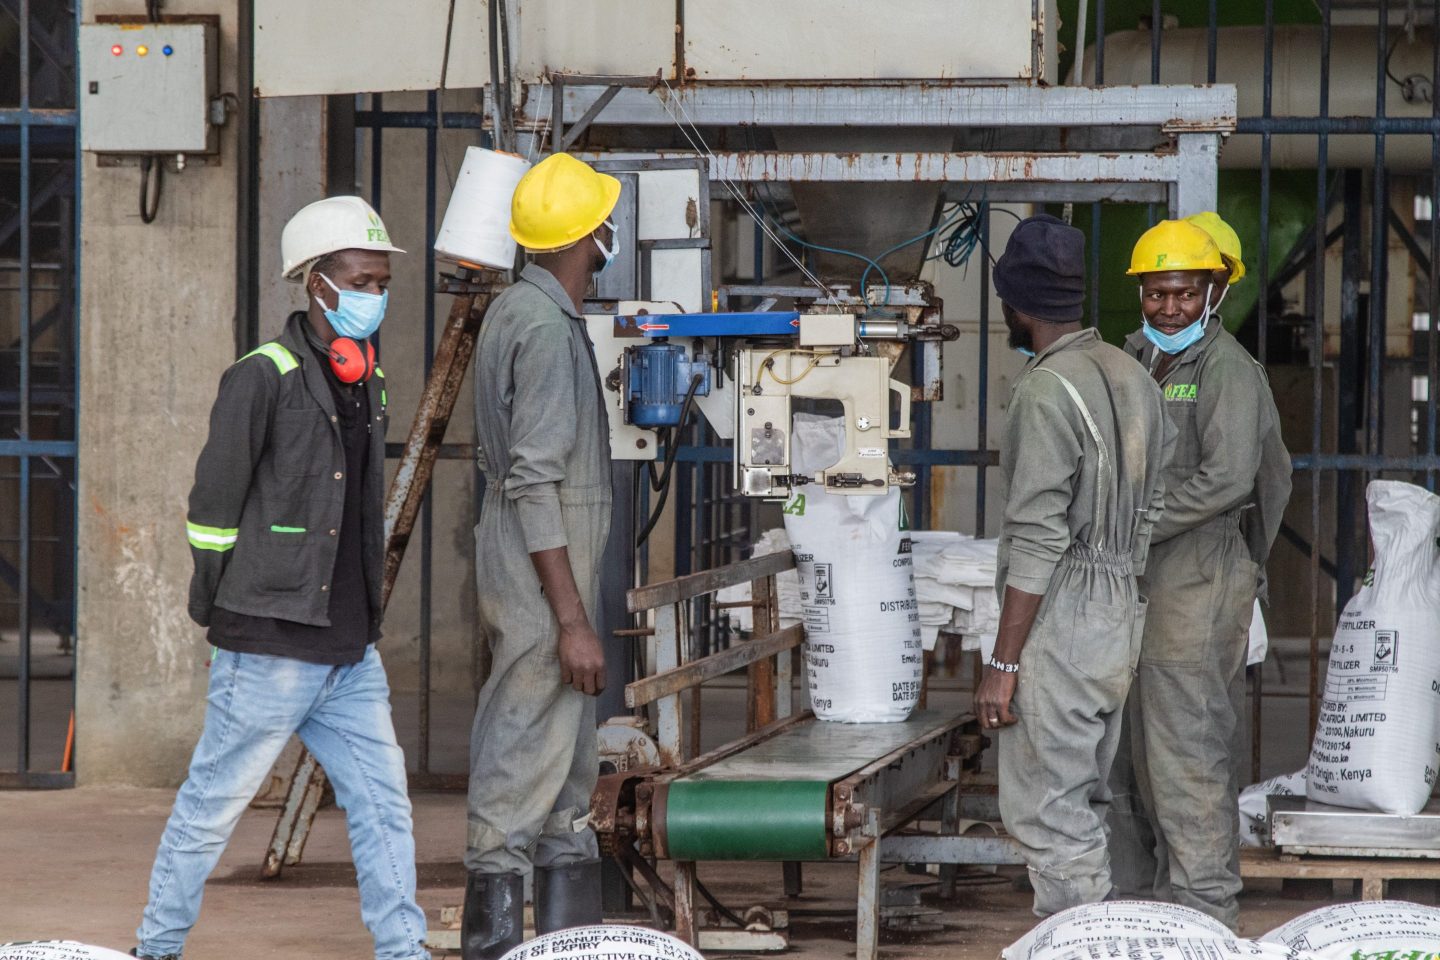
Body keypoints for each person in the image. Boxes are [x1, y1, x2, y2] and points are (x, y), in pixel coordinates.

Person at [132, 197, 429, 960]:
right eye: (362, 278)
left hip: (349, 652)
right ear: (317, 284)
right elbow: (212, 509)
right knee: (213, 806)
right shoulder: (262, 377)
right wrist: (222, 608)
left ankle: (403, 950)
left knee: (384, 806)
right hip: (267, 645)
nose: (376, 294)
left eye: (382, 280)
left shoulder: (369, 380)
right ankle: (157, 948)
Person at [978, 213, 1174, 917]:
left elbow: (1037, 540)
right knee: (1087, 796)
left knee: (1048, 815)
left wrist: (1003, 665)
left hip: (1062, 617)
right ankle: (1100, 930)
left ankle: (1083, 940)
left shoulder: (1045, 391)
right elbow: (1156, 501)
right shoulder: (1134, 373)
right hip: (1120, 608)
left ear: (1018, 305)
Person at [1109, 217, 1291, 930]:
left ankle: (1205, 915)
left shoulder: (1227, 370)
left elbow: (1231, 481)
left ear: (1213, 292)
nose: (1169, 308)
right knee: (1132, 753)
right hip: (1140, 582)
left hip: (1198, 575)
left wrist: (1134, 526)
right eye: (1157, 294)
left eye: (1184, 294)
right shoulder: (1134, 360)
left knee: (1186, 749)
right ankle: (1145, 912)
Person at [462, 152, 620, 959]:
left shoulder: (518, 312)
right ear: (588, 236)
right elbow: (535, 481)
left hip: (529, 557)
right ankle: (492, 940)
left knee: (565, 763)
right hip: (541, 573)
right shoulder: (547, 333)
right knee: (523, 741)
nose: (605, 239)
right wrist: (571, 619)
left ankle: (566, 939)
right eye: (600, 227)